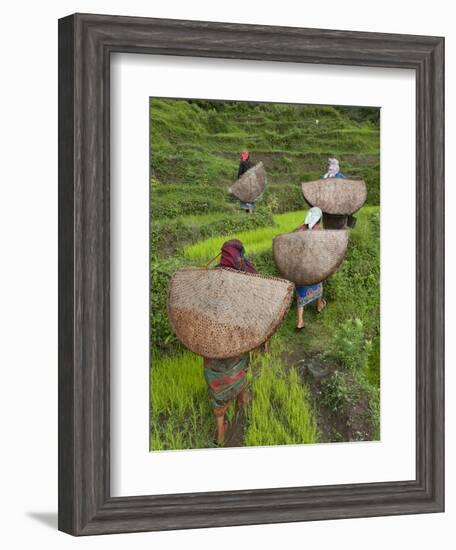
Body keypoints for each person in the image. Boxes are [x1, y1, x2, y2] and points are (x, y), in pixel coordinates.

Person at [203, 239, 255, 445]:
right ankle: (241, 399)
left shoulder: (210, 278)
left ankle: (220, 429)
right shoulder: (245, 275)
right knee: (239, 367)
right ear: (239, 255)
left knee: (216, 379)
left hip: (212, 340)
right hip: (236, 338)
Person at [294, 207, 327, 330]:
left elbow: (289, 244)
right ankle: (319, 306)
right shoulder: (319, 231)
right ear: (319, 219)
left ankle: (300, 321)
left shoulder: (299, 229)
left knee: (301, 291)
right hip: (314, 266)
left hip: (300, 267)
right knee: (319, 283)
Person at [237, 150, 255, 214]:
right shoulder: (250, 163)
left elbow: (239, 173)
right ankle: (250, 212)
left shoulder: (242, 163)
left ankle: (247, 213)